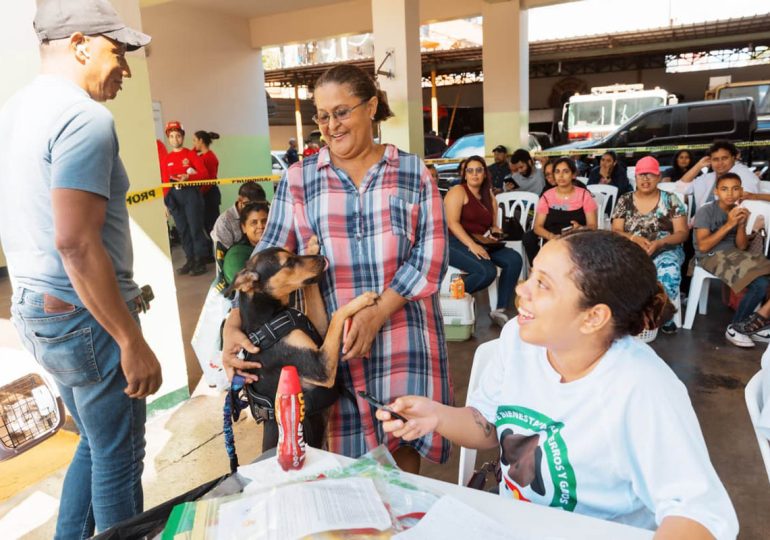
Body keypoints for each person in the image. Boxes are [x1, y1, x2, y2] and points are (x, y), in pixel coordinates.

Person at [377, 230, 739, 539]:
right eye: (531, 276)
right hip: (511, 525)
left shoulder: (642, 387)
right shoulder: (518, 340)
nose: (522, 289)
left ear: (593, 317)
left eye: (542, 285)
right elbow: (490, 428)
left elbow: (699, 517)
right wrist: (437, 417)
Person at [222, 64, 451, 475]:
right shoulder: (299, 178)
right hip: (333, 346)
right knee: (342, 465)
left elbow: (431, 258)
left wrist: (377, 313)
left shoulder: (413, 172)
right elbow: (266, 266)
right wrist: (233, 323)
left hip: (403, 335)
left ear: (372, 108)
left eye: (342, 112)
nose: (331, 125)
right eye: (322, 115)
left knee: (402, 451)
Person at [0, 2, 162, 537]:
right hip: (84, 317)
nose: (126, 69)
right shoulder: (83, 117)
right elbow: (74, 242)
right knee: (119, 457)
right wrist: (130, 340)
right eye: (118, 52)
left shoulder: (15, 108)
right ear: (80, 44)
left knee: (94, 442)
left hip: (35, 305)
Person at [611, 156, 687, 334]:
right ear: (635, 178)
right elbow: (615, 230)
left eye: (650, 175)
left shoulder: (671, 200)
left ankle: (662, 314)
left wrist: (660, 243)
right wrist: (633, 238)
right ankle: (632, 316)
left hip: (665, 249)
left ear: (659, 177)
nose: (645, 179)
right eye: (641, 175)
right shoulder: (625, 200)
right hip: (631, 250)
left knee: (669, 271)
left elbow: (682, 233)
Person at [693, 173, 770, 348]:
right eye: (725, 189)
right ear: (716, 191)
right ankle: (736, 327)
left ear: (741, 191)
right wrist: (729, 224)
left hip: (735, 254)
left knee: (764, 280)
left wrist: (741, 224)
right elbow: (704, 246)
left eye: (735, 189)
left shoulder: (738, 211)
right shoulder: (706, 211)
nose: (730, 194)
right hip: (710, 256)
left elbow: (742, 246)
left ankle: (754, 325)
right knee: (760, 284)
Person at [444, 156, 523, 326]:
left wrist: (496, 233)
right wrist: (472, 245)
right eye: (470, 170)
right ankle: (450, 296)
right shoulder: (458, 191)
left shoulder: (488, 195)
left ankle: (501, 309)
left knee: (514, 259)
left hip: (480, 241)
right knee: (486, 272)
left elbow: (493, 225)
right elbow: (452, 223)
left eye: (479, 170)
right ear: (464, 175)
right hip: (453, 241)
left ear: (485, 174)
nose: (474, 174)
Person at [522, 157, 598, 264]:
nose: (561, 176)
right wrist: (552, 237)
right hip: (553, 241)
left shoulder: (584, 195)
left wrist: (581, 228)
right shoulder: (546, 196)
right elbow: (537, 227)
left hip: (577, 239)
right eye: (557, 172)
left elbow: (593, 225)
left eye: (565, 171)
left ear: (573, 175)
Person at [162, 121, 211, 276]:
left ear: (182, 137)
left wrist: (188, 177)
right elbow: (164, 181)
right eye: (171, 136)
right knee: (183, 230)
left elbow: (204, 173)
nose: (175, 139)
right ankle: (190, 259)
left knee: (195, 228)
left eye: (178, 136)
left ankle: (200, 260)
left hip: (190, 194)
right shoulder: (166, 158)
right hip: (174, 196)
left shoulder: (191, 154)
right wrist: (165, 203)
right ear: (168, 139)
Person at [676, 140, 761, 212]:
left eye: (724, 158)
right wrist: (699, 165)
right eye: (715, 159)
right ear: (710, 161)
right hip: (702, 224)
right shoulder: (707, 177)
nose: (720, 163)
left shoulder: (745, 174)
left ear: (733, 158)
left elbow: (745, 201)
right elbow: (680, 188)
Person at [222, 202, 270, 285]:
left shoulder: (275, 246)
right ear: (244, 227)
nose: (261, 226)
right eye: (254, 222)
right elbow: (248, 287)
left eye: (264, 221)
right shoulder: (236, 255)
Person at [211, 181, 266, 250]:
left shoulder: (265, 213)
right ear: (240, 200)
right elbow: (223, 256)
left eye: (260, 205)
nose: (255, 208)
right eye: (250, 205)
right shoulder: (224, 222)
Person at [192, 130, 222, 245]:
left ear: (201, 141)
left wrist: (201, 193)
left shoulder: (209, 157)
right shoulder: (202, 156)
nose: (193, 144)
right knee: (206, 224)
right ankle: (212, 251)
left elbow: (210, 180)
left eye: (195, 140)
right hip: (205, 193)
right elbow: (191, 155)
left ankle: (217, 251)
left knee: (212, 225)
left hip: (209, 194)